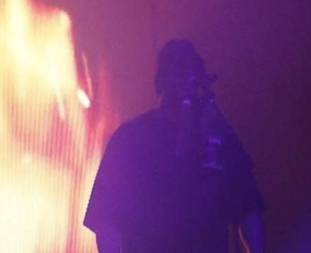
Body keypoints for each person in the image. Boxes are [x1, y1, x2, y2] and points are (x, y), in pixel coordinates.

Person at [83, 39, 264, 253]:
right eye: (177, 70)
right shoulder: (131, 138)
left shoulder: (219, 135)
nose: (184, 78)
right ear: (162, 79)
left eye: (190, 70)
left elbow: (248, 207)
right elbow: (106, 218)